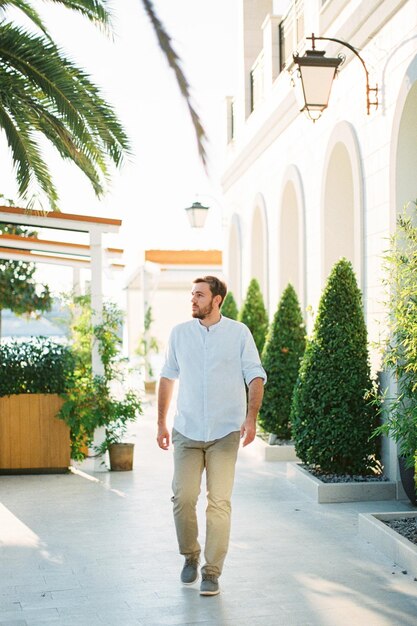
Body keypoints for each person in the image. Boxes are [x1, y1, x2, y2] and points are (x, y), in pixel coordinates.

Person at [157, 275, 266, 596]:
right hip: (186, 430)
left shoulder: (238, 333)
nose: (193, 300)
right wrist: (161, 423)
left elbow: (255, 375)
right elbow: (166, 376)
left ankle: (212, 571)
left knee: (219, 502)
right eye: (192, 294)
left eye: (200, 295)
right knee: (183, 497)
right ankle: (190, 555)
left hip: (224, 432)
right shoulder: (179, 334)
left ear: (217, 300)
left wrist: (251, 418)